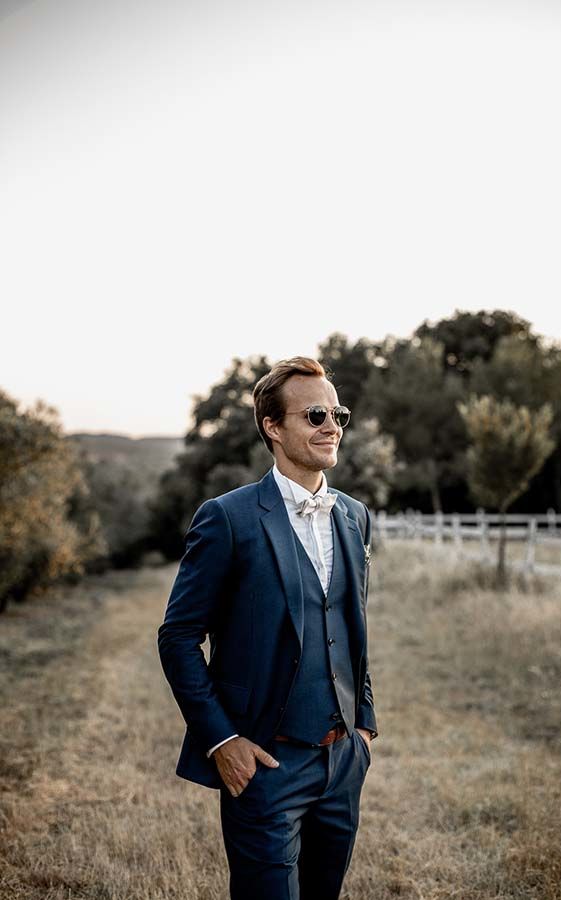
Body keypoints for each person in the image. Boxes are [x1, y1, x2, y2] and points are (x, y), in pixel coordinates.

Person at [157, 356, 378, 900]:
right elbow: (178, 637)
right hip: (265, 765)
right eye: (316, 415)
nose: (332, 427)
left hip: (342, 762)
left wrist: (364, 728)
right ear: (273, 427)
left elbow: (351, 627)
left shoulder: (355, 516)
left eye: (338, 415)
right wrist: (222, 740)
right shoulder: (227, 518)